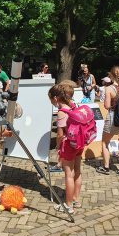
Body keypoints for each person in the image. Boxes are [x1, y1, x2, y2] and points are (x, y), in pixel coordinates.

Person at [48, 83, 83, 214]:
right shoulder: (74, 106)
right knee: (78, 170)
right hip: (79, 143)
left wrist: (58, 147)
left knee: (69, 174)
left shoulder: (62, 112)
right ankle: (75, 199)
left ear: (56, 98)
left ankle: (68, 206)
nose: (51, 102)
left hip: (69, 145)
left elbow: (60, 134)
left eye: (51, 100)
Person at [96, 66, 119, 176]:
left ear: (111, 75)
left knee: (105, 143)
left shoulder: (109, 89)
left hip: (113, 117)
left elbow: (106, 106)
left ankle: (106, 167)